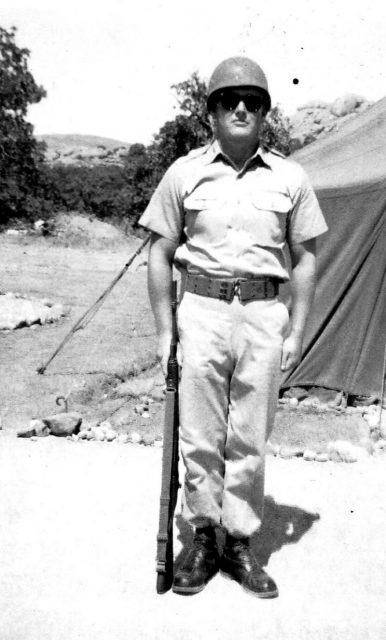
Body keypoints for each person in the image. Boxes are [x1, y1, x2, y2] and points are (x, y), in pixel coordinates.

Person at [139, 56, 327, 598]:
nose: (241, 108)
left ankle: (239, 542)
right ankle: (202, 538)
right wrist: (163, 329)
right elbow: (161, 252)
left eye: (253, 100)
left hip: (265, 316)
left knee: (249, 433)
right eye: (229, 100)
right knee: (199, 432)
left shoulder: (291, 177)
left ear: (265, 111)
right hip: (200, 309)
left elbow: (306, 258)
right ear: (212, 112)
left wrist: (296, 330)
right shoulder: (184, 173)